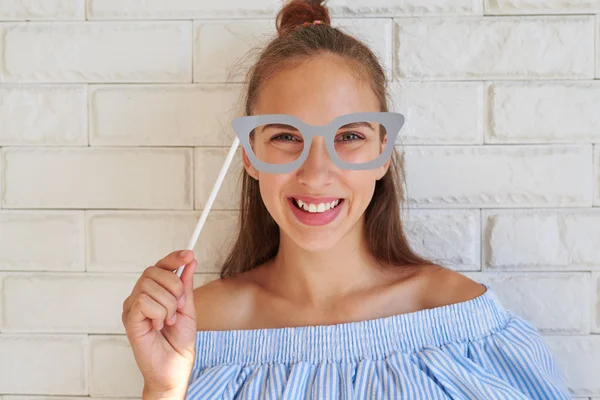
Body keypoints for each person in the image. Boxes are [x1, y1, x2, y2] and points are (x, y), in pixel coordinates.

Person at [122, 0, 571, 398]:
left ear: (382, 154)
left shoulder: (460, 318)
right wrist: (163, 388)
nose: (316, 174)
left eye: (349, 135)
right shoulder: (194, 327)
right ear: (250, 157)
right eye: (286, 136)